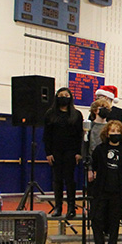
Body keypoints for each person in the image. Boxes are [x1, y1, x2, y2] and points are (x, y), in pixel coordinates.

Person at [43, 87, 83, 218]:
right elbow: (47, 135)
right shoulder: (50, 114)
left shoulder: (76, 114)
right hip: (55, 151)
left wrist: (79, 152)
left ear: (70, 97)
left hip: (71, 151)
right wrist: (48, 153)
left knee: (70, 179)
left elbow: (79, 135)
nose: (64, 97)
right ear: (57, 97)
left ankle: (71, 207)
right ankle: (58, 207)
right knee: (57, 179)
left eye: (66, 95)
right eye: (61, 95)